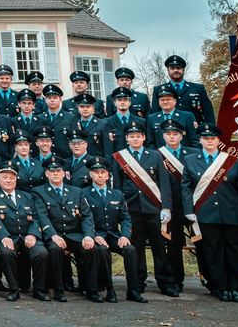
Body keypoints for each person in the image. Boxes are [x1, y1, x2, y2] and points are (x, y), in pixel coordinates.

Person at [182, 123, 238, 302]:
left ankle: (236, 288)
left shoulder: (231, 160)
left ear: (218, 140)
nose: (209, 141)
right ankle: (220, 287)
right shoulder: (191, 160)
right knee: (213, 252)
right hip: (206, 214)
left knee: (234, 251)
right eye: (206, 138)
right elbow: (186, 188)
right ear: (200, 140)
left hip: (231, 213)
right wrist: (189, 210)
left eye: (212, 138)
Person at [110, 122, 172, 298]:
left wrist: (166, 207)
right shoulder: (119, 158)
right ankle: (138, 282)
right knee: (136, 248)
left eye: (138, 136)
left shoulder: (155, 156)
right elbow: (117, 186)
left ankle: (165, 282)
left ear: (143, 137)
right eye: (131, 136)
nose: (135, 139)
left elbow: (164, 183)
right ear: (127, 138)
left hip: (153, 208)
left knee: (159, 247)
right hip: (131, 209)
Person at [0, 161, 48, 301]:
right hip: (8, 236)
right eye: (5, 177)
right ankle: (14, 289)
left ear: (16, 179)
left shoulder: (27, 196)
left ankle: (39, 289)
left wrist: (32, 234)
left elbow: (36, 218)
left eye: (12, 177)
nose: (8, 180)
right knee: (6, 252)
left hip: (27, 236)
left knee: (42, 253)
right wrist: (3, 236)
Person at [34, 158, 96, 301]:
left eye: (58, 171)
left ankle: (91, 289)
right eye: (52, 171)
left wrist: (88, 235)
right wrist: (53, 235)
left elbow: (87, 216)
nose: (55, 173)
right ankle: (58, 290)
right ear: (46, 174)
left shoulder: (76, 191)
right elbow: (42, 217)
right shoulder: (39, 192)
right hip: (54, 234)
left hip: (75, 234)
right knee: (55, 250)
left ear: (63, 173)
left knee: (92, 249)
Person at [85, 157, 144, 303]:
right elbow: (84, 219)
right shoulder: (84, 194)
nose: (99, 175)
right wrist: (93, 235)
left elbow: (125, 218)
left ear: (108, 175)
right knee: (102, 251)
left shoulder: (117, 194)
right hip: (97, 235)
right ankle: (110, 290)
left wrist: (125, 235)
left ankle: (133, 290)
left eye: (102, 172)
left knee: (130, 250)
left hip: (113, 234)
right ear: (91, 174)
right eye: (96, 172)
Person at [157, 121, 200, 295]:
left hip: (193, 207)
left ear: (181, 135)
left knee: (201, 243)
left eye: (175, 133)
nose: (172, 136)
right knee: (173, 246)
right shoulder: (158, 155)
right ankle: (176, 280)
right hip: (171, 207)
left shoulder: (194, 153)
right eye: (168, 134)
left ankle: (211, 279)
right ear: (163, 136)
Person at [152, 55, 215, 126]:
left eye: (178, 68)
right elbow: (155, 114)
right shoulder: (159, 89)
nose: (175, 70)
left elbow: (208, 113)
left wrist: (210, 131)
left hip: (195, 130)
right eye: (172, 68)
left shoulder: (198, 88)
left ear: (183, 70)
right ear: (168, 70)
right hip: (170, 132)